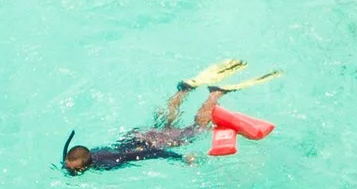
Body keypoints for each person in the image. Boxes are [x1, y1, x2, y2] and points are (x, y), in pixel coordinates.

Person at [63, 59, 280, 174]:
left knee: (197, 129)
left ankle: (215, 94)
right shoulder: (91, 153)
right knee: (167, 120)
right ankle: (183, 90)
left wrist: (179, 158)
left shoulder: (110, 162)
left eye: (74, 170)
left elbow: (150, 153)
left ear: (85, 164)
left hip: (151, 143)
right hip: (138, 135)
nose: (71, 172)